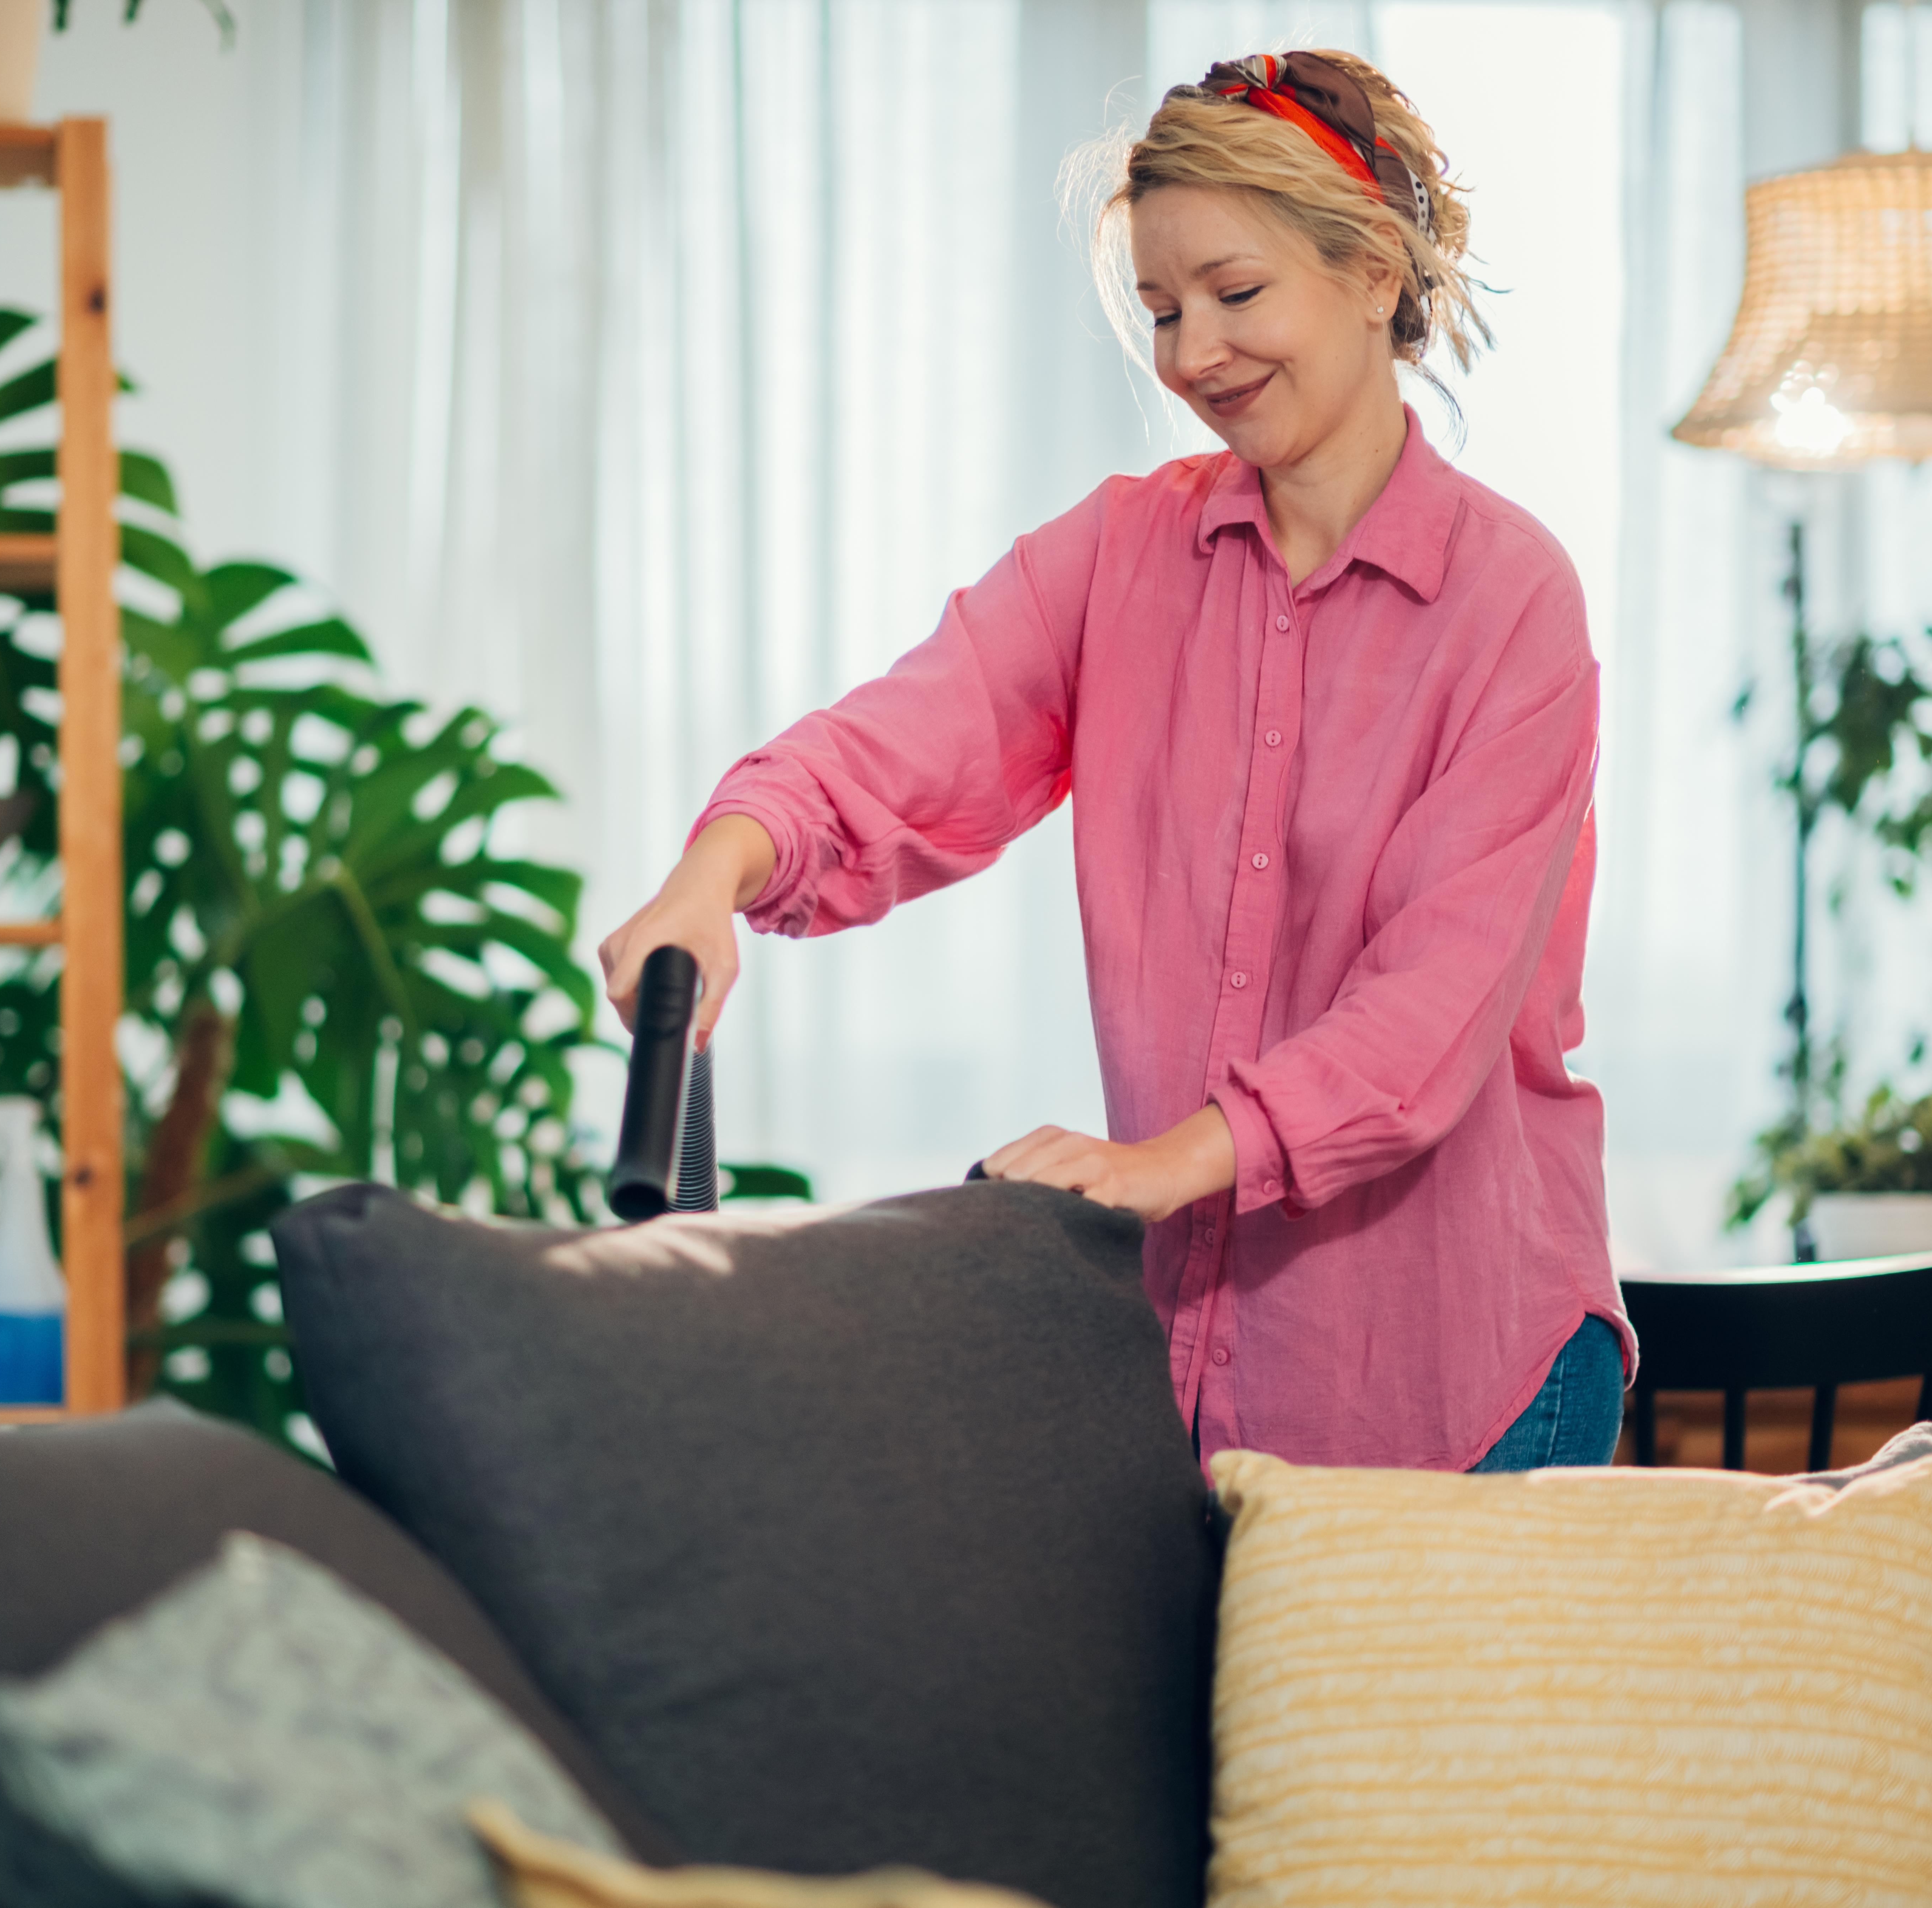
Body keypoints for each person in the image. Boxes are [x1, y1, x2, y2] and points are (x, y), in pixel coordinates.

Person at [596, 50, 1630, 1474]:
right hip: (1201, 1373)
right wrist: (716, 872)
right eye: (1159, 309)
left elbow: (1424, 1024)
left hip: (1461, 1382)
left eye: (1233, 292)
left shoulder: (1512, 603)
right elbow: (913, 732)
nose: (1190, 352)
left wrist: (1153, 1165)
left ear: (1374, 271)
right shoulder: (1122, 555)